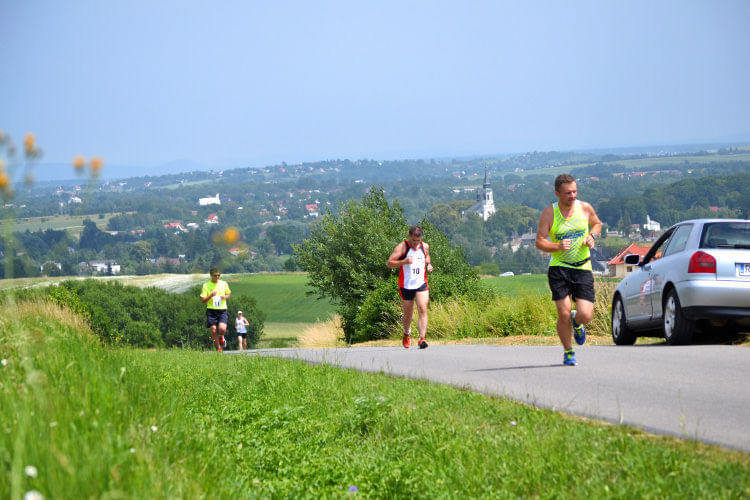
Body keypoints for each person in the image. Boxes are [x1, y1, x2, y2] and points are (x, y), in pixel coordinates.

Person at [535, 174, 602, 366]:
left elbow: (597, 224)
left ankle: (578, 322)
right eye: (567, 193)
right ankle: (568, 351)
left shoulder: (585, 208)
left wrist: (592, 236)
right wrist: (557, 246)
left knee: (586, 314)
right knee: (563, 313)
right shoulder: (549, 213)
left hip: (583, 267)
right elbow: (539, 241)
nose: (572, 195)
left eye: (574, 191)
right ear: (557, 193)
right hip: (559, 269)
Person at [387, 226, 434, 349]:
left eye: (418, 241)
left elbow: (427, 256)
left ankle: (422, 338)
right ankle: (407, 333)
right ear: (409, 237)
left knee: (423, 308)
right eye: (413, 240)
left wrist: (428, 264)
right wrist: (404, 262)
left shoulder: (425, 246)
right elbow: (389, 263)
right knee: (408, 314)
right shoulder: (402, 247)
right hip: (406, 285)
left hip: (421, 283)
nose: (415, 243)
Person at [200, 268, 231, 352]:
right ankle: (218, 348)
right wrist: (210, 295)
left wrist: (225, 297)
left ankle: (221, 337)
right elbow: (203, 300)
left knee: (222, 329)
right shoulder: (206, 285)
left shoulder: (224, 284)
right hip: (211, 310)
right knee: (213, 330)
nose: (217, 277)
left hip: (222, 309)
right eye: (215, 275)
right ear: (211, 276)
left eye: (218, 275)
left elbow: (228, 294)